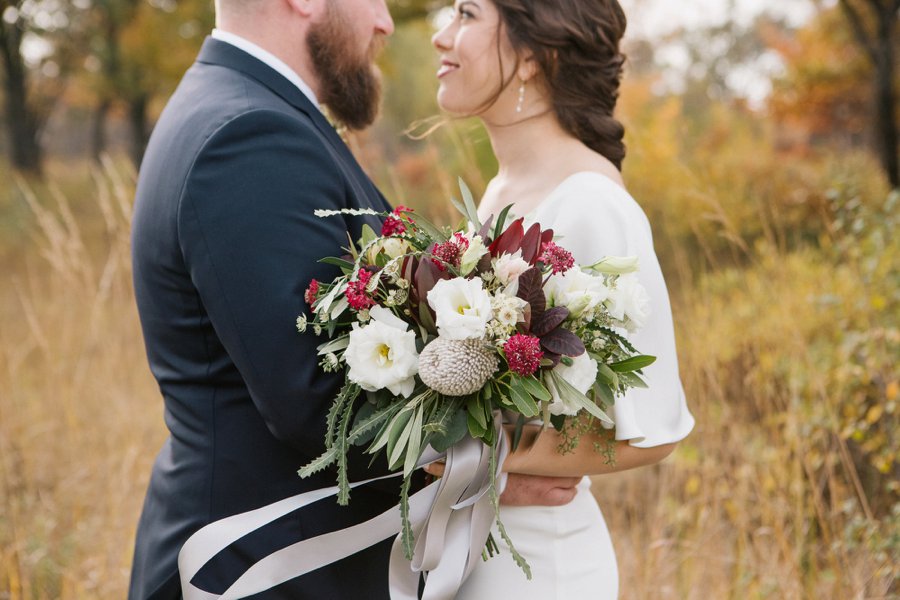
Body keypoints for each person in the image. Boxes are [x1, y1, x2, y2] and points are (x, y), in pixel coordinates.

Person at [128, 0, 589, 597]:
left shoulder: (232, 107)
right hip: (257, 568)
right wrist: (484, 474)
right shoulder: (250, 137)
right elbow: (318, 402)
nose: (386, 23)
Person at [429, 0, 696, 597]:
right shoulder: (498, 192)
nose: (442, 36)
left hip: (537, 566)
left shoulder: (590, 204)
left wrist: (465, 459)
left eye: (468, 14)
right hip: (468, 552)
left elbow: (650, 432)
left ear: (531, 56)